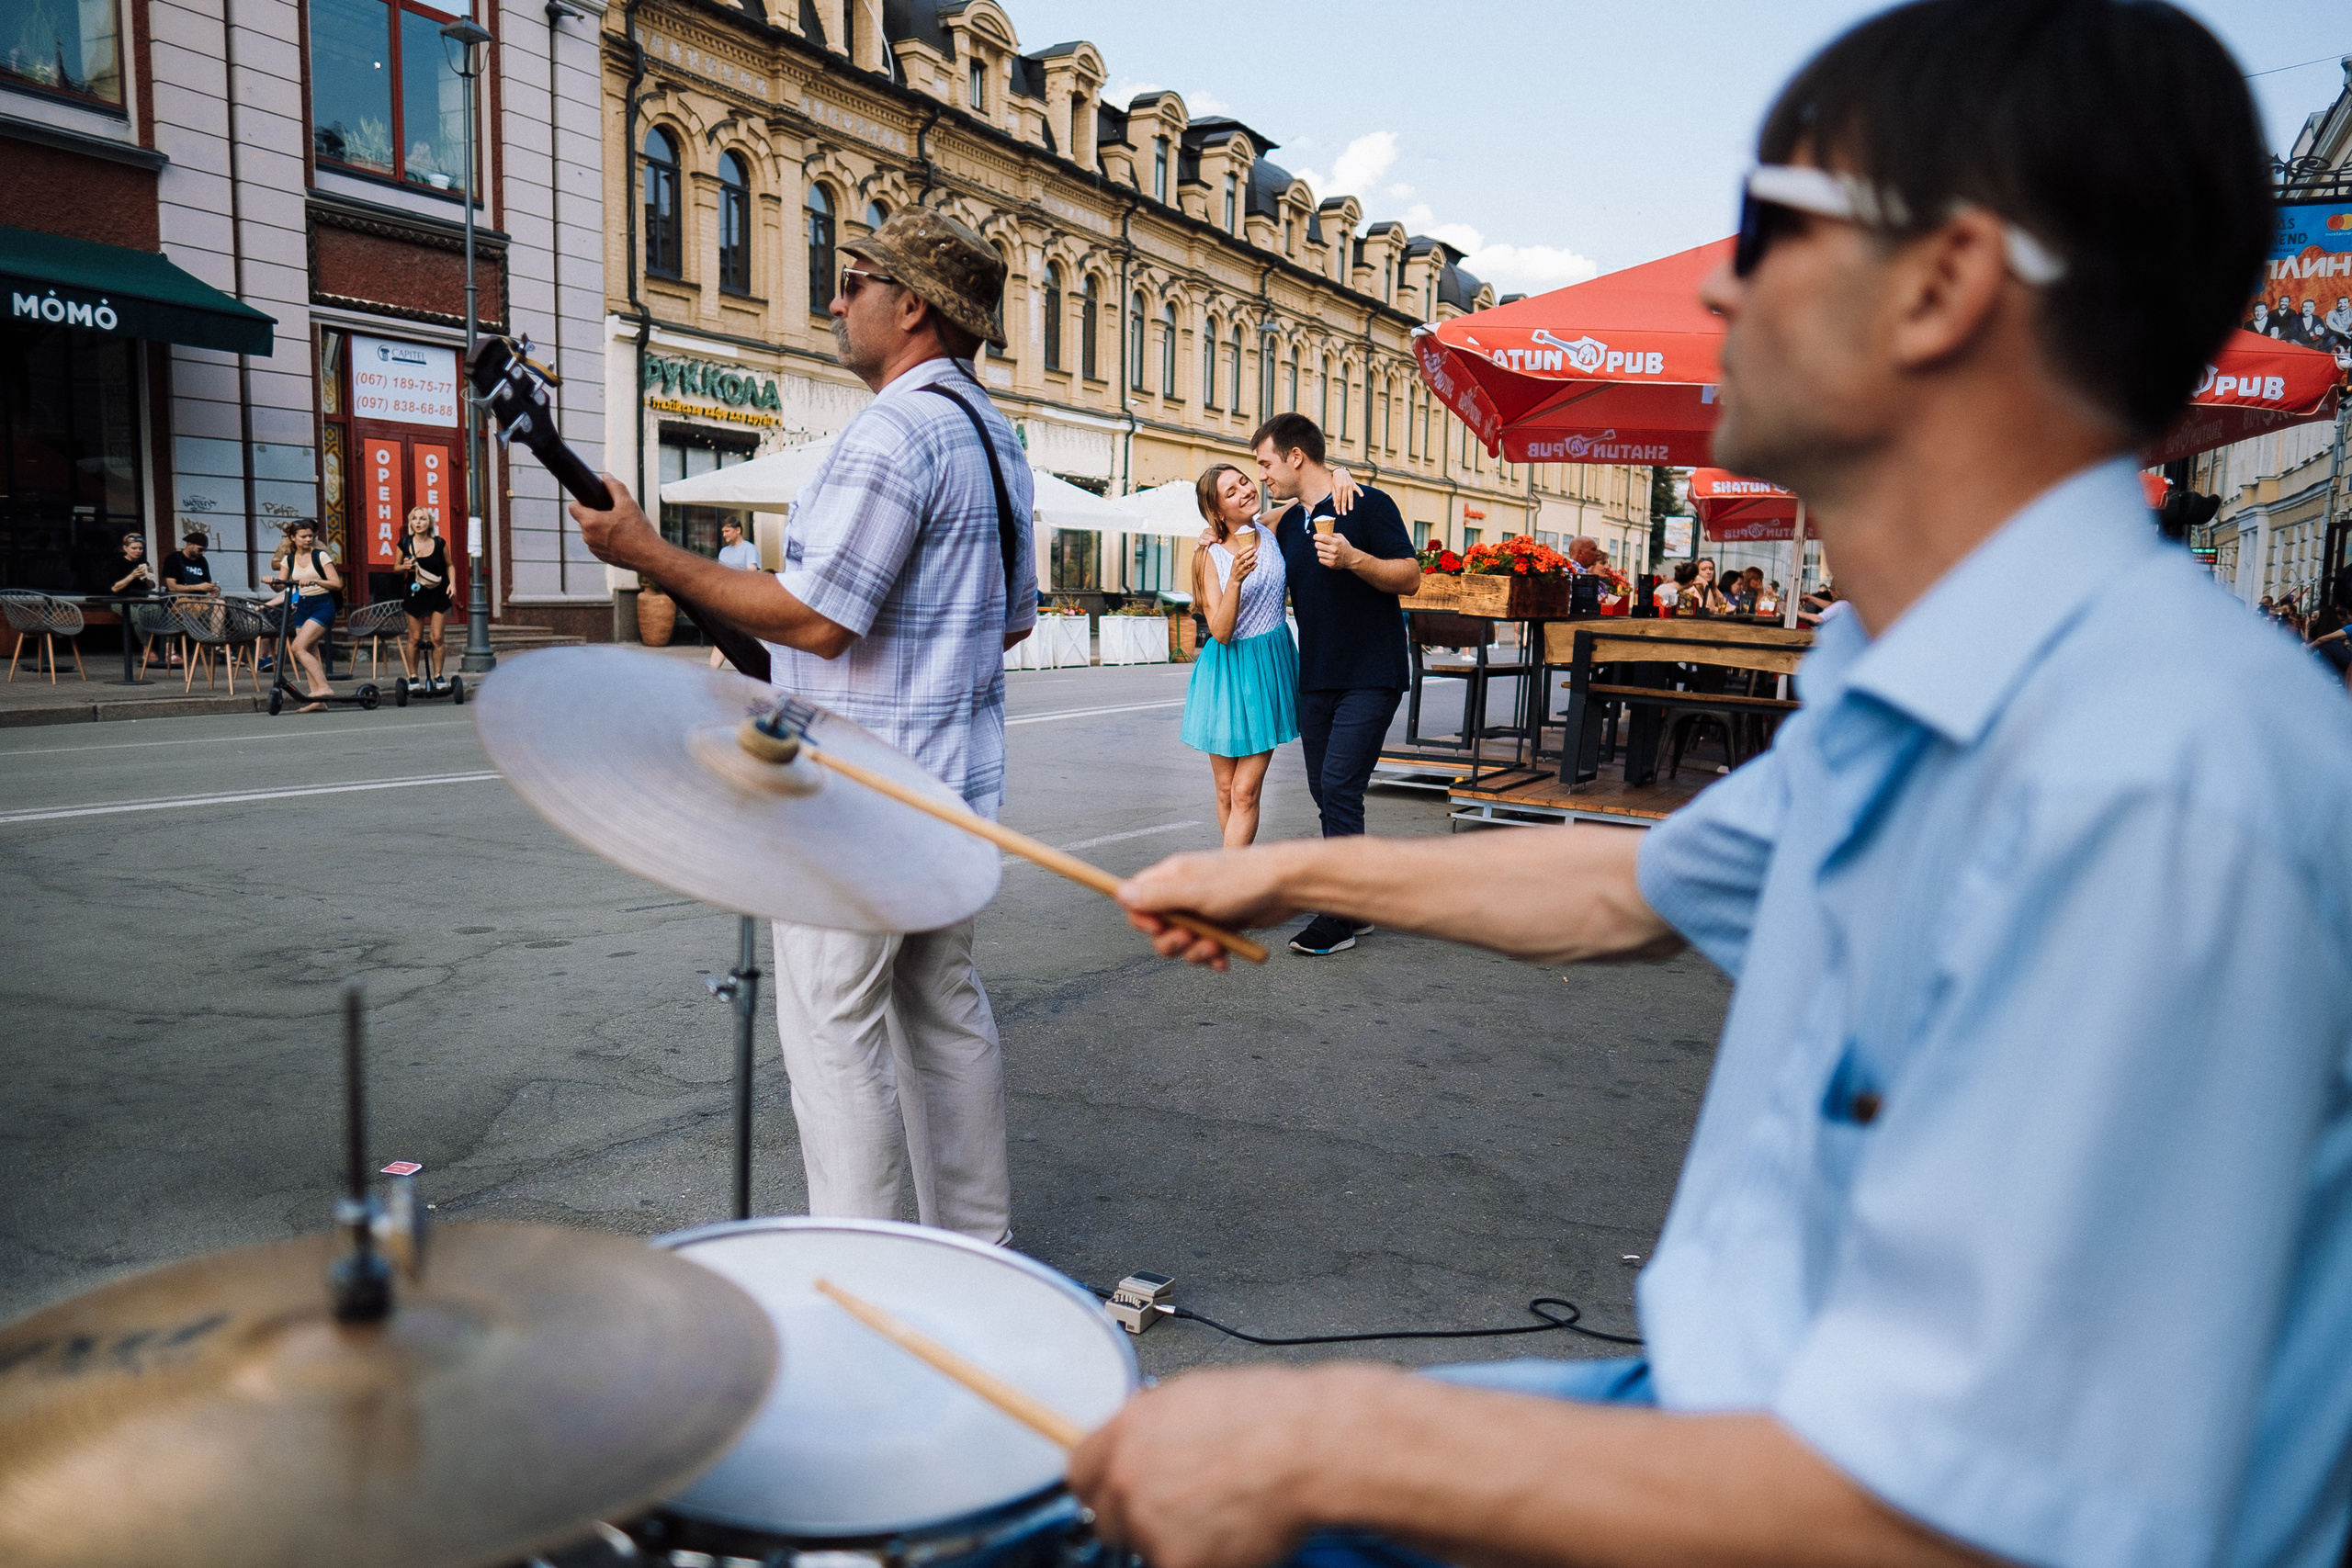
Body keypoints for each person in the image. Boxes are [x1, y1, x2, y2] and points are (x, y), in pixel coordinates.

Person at [1088, 5, 2352, 1566]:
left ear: (1946, 284)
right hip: (1741, 1397)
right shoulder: (1933, 680)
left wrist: (1332, 1436)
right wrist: (1285, 871)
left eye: (1770, 226)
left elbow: (1985, 1518)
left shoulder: (2151, 780)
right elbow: (1631, 886)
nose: (1713, 280)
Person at [571, 207, 1035, 1245]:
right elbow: (1003, 627)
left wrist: (648, 552)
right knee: (942, 1013)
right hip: (953, 787)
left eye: (854, 279)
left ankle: (863, 1276)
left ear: (911, 304)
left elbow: (821, 618)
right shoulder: (995, 436)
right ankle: (977, 1253)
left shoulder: (895, 431)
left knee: (835, 1030)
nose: (835, 299)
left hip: (860, 803)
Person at [1253, 412, 1419, 957]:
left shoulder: (1367, 505)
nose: (1262, 476)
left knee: (1341, 785)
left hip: (1372, 672)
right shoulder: (1286, 523)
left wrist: (1353, 558)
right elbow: (1234, 521)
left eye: (1265, 463)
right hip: (1316, 675)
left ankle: (1339, 914)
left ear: (1295, 456)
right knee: (1326, 791)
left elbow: (1410, 577)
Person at [1181, 464, 1300, 849]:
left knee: (1246, 791)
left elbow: (1309, 492)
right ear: (1216, 511)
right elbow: (1220, 630)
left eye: (1243, 481)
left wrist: (1343, 473)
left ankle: (1228, 890)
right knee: (1226, 788)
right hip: (1226, 672)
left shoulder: (1269, 525)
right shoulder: (1208, 555)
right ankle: (1236, 883)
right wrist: (1234, 579)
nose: (1245, 491)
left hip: (1268, 665)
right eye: (1230, 492)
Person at [265, 521, 342, 713]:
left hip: (322, 604)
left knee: (298, 647)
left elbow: (336, 583)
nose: (308, 539)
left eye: (311, 536)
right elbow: (281, 585)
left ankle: (324, 688)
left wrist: (316, 580)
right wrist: (271, 582)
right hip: (303, 606)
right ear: (293, 538)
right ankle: (317, 700)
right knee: (310, 650)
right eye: (304, 536)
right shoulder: (289, 560)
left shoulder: (320, 556)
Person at [393, 507, 453, 682]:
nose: (418, 522)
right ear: (411, 523)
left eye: (422, 519)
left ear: (429, 523)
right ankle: (413, 676)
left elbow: (450, 565)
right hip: (415, 593)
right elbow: (395, 568)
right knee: (415, 637)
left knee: (437, 637)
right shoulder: (404, 543)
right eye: (415, 519)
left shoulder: (440, 543)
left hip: (438, 593)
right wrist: (404, 567)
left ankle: (438, 676)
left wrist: (453, 585)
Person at [710, 517, 763, 668]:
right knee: (725, 637)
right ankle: (712, 673)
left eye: (727, 531)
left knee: (741, 637)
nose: (724, 535)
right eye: (723, 531)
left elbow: (751, 571)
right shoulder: (723, 552)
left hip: (744, 600)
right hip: (727, 600)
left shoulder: (749, 548)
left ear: (738, 530)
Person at [159, 530, 219, 597]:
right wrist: (198, 587)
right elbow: (172, 587)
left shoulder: (202, 560)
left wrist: (214, 588)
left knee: (220, 604)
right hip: (179, 599)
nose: (203, 553)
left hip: (200, 598)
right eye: (200, 549)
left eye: (205, 550)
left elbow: (207, 582)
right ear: (189, 544)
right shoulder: (173, 558)